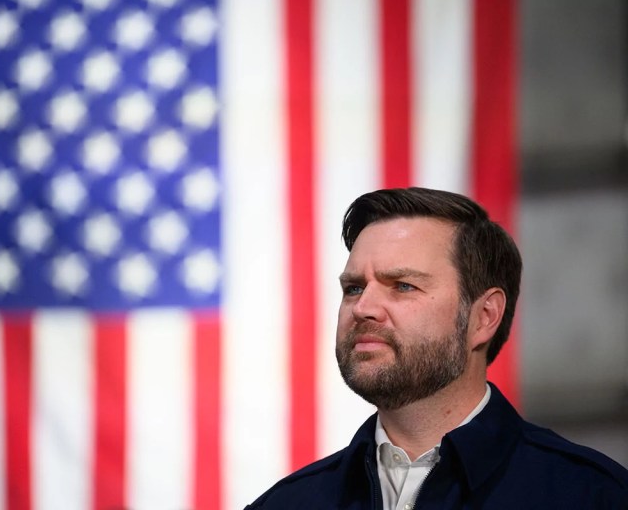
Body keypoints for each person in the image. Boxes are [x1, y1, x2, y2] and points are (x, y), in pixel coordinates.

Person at [246, 187, 628, 509]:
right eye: (354, 288)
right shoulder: (285, 504)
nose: (362, 308)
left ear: (483, 317)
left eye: (402, 285)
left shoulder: (592, 495)